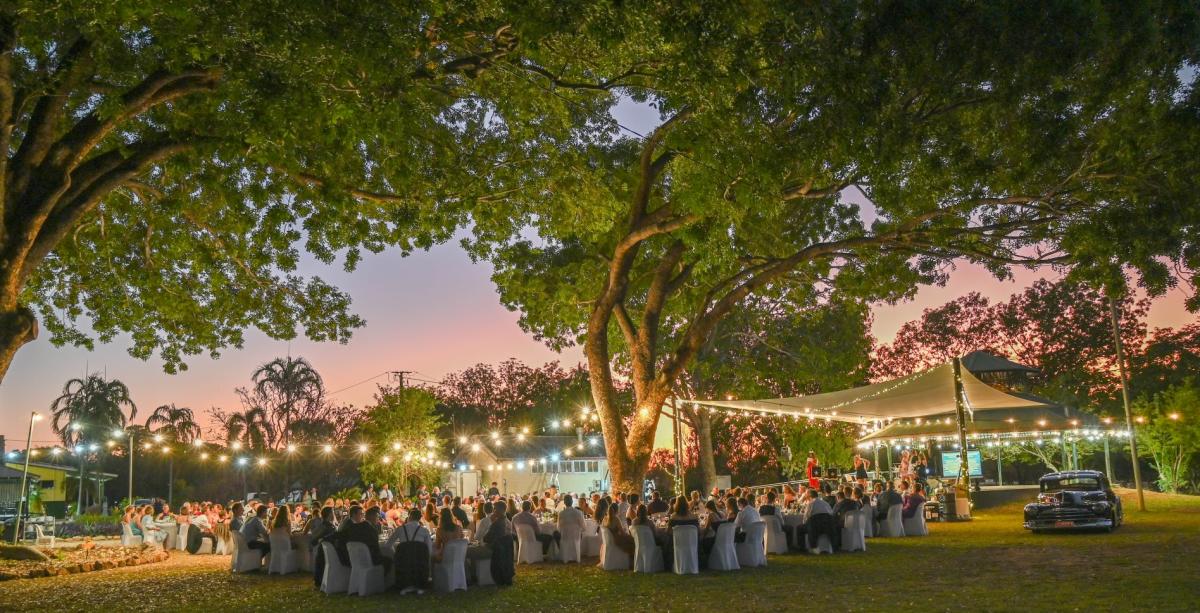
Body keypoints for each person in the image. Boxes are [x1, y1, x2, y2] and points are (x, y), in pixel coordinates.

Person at [334, 505, 392, 574]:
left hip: (355, 560)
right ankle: (381, 581)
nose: (378, 519)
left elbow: (339, 534)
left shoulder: (355, 527)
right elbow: (376, 551)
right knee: (390, 559)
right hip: (367, 561)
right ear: (372, 517)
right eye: (377, 517)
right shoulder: (371, 530)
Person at [389, 507, 432, 594]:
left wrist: (396, 553)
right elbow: (429, 549)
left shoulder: (400, 529)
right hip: (419, 561)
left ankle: (405, 585)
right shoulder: (424, 530)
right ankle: (420, 585)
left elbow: (388, 545)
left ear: (409, 517)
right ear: (420, 519)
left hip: (403, 559)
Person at [482, 501, 515, 586]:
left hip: (497, 549)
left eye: (494, 509)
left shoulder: (497, 523)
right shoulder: (507, 521)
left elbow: (486, 539)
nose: (493, 511)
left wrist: (492, 523)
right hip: (506, 550)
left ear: (498, 510)